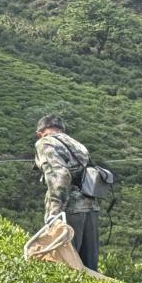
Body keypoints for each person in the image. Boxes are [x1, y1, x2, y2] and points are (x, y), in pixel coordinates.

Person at [34, 114, 100, 271]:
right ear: (62, 130)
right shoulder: (77, 144)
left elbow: (60, 175)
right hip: (90, 207)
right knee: (89, 267)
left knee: (67, 265)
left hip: (69, 209)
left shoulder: (44, 143)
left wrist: (55, 212)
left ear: (39, 133)